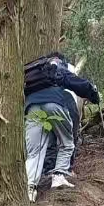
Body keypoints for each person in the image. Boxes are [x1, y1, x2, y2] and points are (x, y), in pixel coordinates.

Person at [23, 57, 99, 197]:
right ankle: (58, 177)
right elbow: (74, 82)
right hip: (54, 103)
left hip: (32, 107)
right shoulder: (55, 66)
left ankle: (29, 189)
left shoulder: (31, 74)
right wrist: (93, 94)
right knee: (66, 142)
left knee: (35, 151)